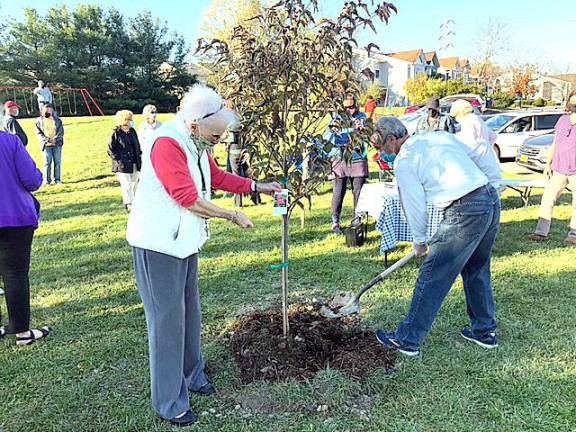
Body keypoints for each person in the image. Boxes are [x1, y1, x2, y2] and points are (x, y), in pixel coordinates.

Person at [125, 84, 282, 427]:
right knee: (167, 323)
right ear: (195, 124)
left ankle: (192, 375)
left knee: (190, 313)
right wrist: (231, 215)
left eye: (221, 134)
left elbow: (214, 176)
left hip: (184, 243)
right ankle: (169, 401)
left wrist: (256, 186)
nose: (218, 140)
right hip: (158, 245)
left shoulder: (196, 142)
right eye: (215, 134)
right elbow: (187, 197)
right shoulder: (168, 142)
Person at [372, 117, 501, 357]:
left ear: (392, 139)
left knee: (433, 275)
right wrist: (493, 184)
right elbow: (480, 151)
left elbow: (414, 205)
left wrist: (419, 241)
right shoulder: (437, 137)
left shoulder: (405, 160)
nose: (382, 152)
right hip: (489, 199)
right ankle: (484, 332)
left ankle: (407, 339)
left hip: (465, 210)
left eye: (382, 147)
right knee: (477, 268)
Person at [0, 105, 50, 346]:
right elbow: (32, 180)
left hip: (13, 219)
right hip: (14, 218)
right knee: (15, 274)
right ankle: (22, 333)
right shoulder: (9, 142)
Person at [528, 91, 576, 245]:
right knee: (548, 199)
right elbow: (555, 143)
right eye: (572, 103)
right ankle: (541, 233)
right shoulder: (562, 120)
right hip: (559, 168)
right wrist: (548, 163)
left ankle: (573, 234)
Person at [328, 98, 369, 233]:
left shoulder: (362, 117)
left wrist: (362, 129)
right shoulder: (336, 119)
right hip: (339, 158)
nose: (349, 110)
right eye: (346, 107)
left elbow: (367, 133)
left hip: (357, 158)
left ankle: (358, 219)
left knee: (359, 191)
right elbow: (331, 136)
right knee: (339, 191)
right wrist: (346, 129)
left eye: (352, 107)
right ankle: (335, 222)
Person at [107, 110, 142, 212]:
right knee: (126, 184)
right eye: (129, 119)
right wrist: (118, 160)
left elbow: (137, 145)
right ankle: (129, 204)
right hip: (122, 164)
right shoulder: (115, 133)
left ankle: (136, 202)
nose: (131, 122)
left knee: (135, 183)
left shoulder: (132, 131)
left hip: (134, 162)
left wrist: (139, 156)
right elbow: (110, 149)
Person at [35, 103, 64, 185]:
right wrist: (47, 140)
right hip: (46, 145)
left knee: (57, 162)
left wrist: (55, 139)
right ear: (42, 111)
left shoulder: (57, 120)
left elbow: (61, 131)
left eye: (49, 111)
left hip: (57, 144)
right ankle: (47, 181)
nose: (47, 112)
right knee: (47, 163)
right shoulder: (39, 122)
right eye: (45, 111)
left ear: (52, 111)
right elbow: (39, 134)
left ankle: (58, 180)